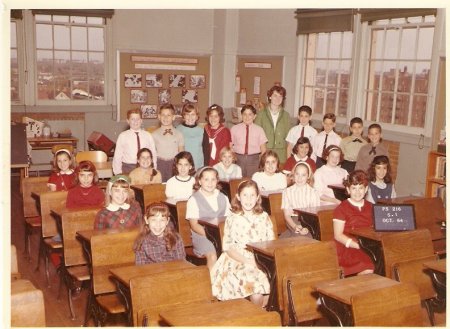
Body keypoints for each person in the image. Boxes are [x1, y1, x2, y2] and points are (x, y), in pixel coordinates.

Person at [210, 180, 274, 307]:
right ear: (238, 197)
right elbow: (228, 247)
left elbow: (271, 243)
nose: (249, 199)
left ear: (257, 197)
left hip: (261, 257)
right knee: (256, 290)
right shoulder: (233, 218)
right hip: (237, 259)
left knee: (274, 284)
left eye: (252, 195)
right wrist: (249, 261)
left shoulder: (264, 216)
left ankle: (260, 316)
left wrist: (262, 261)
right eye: (245, 195)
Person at [186, 167, 231, 270]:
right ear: (200, 181)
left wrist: (223, 236)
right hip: (202, 235)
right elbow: (194, 225)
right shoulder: (194, 199)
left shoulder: (223, 197)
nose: (210, 183)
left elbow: (229, 220)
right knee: (213, 255)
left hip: (222, 234)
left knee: (234, 252)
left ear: (217, 181)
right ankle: (212, 284)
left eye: (213, 179)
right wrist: (213, 236)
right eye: (206, 179)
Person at [333, 170, 375, 276]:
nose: (357, 192)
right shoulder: (341, 208)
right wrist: (357, 245)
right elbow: (338, 235)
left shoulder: (371, 207)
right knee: (368, 266)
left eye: (361, 188)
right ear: (348, 189)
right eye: (354, 188)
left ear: (366, 189)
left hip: (367, 245)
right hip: (347, 247)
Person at [280, 162, 320, 238]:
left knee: (308, 236)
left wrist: (307, 228)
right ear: (293, 174)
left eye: (303, 175)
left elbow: (315, 215)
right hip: (293, 220)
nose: (299, 178)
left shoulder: (313, 192)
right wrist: (295, 226)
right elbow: (287, 215)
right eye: (297, 174)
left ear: (308, 176)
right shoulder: (287, 191)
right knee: (299, 236)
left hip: (309, 221)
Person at [113, 108, 157, 175]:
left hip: (145, 167)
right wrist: (118, 173)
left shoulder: (148, 136)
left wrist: (154, 168)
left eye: (138, 119)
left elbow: (153, 153)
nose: (135, 122)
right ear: (128, 121)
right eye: (132, 119)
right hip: (128, 167)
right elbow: (117, 156)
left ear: (141, 120)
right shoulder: (123, 136)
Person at [254, 85, 291, 163]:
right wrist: (261, 153)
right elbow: (256, 135)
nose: (277, 98)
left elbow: (289, 137)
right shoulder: (261, 114)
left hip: (281, 154)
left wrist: (289, 157)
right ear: (270, 97)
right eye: (275, 95)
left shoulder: (286, 115)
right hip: (265, 151)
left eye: (280, 96)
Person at [230, 104, 267, 177]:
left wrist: (261, 163)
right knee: (238, 181)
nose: (247, 117)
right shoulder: (234, 128)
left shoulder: (259, 130)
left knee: (253, 181)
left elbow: (263, 149)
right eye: (245, 114)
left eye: (250, 114)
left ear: (254, 116)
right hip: (238, 160)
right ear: (241, 115)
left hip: (254, 161)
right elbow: (230, 146)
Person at [152, 103, 184, 182]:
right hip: (159, 164)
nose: (165, 117)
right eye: (163, 115)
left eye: (169, 115)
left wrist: (180, 166)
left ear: (173, 117)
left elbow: (181, 153)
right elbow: (152, 152)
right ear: (159, 117)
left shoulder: (179, 134)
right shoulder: (154, 134)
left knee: (173, 186)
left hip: (173, 164)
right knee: (159, 188)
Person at [176, 103, 204, 170]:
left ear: (197, 116)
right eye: (187, 114)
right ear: (183, 116)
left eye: (193, 114)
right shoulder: (178, 130)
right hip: (183, 166)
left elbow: (205, 149)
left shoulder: (202, 131)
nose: (190, 117)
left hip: (198, 165)